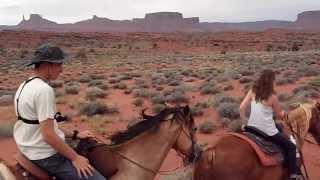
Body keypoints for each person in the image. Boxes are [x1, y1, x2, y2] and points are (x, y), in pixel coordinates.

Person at [13, 44, 106, 180]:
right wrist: (75, 158)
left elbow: (44, 125)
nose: (61, 69)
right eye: (59, 64)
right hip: (45, 155)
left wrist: (76, 134)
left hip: (28, 147)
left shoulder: (25, 85)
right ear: (47, 65)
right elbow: (48, 135)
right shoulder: (43, 90)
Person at [239, 69, 301, 180]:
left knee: (277, 127)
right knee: (291, 146)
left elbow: (241, 108)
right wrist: (284, 114)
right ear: (271, 81)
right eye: (274, 80)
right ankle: (293, 175)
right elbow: (278, 116)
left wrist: (244, 123)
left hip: (252, 128)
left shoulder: (252, 90)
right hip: (267, 131)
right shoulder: (272, 96)